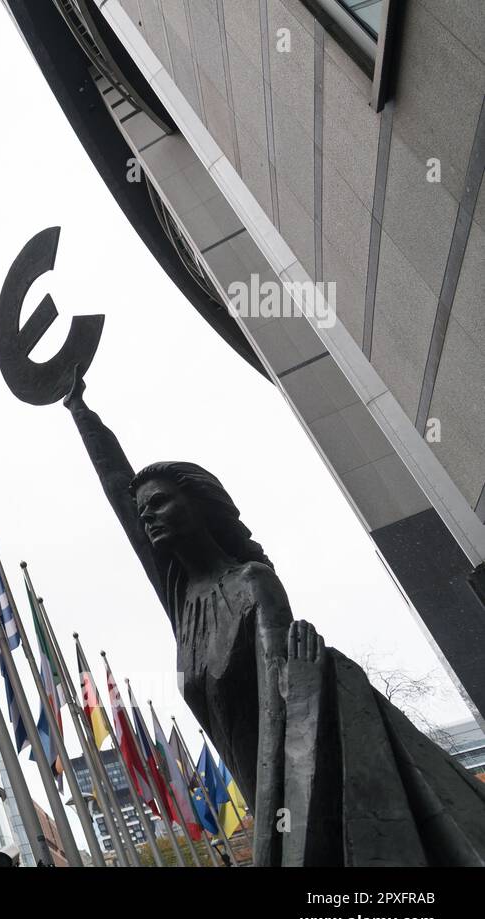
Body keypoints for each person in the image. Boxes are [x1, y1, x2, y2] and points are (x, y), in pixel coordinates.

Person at [63, 367, 485, 865]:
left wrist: (274, 829)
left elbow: (282, 702)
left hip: (294, 782)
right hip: (262, 792)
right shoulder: (182, 603)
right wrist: (80, 413)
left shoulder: (251, 583)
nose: (148, 516)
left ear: (200, 508)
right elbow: (120, 493)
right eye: (144, 511)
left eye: (160, 503)